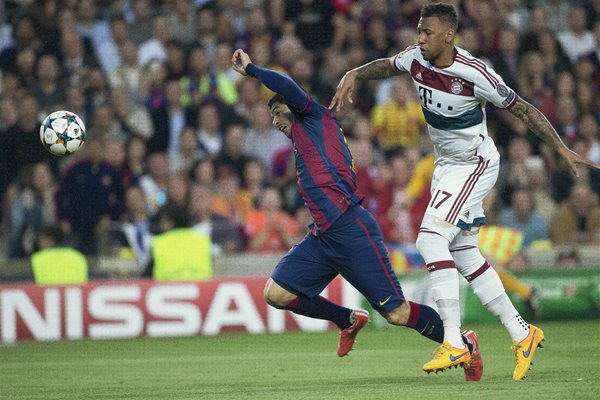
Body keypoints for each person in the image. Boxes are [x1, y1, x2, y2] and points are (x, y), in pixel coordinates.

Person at [330, 2, 600, 381]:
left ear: (448, 35)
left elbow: (522, 109)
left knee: (429, 240)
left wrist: (559, 147)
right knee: (464, 253)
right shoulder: (415, 60)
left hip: (475, 163)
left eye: (427, 32)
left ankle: (454, 342)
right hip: (447, 166)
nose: (419, 38)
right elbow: (387, 65)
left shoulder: (475, 73)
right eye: (418, 31)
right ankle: (522, 332)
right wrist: (353, 74)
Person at [231, 48, 482, 381]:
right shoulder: (304, 139)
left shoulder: (314, 117)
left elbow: (287, 86)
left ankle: (464, 344)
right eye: (273, 117)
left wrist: (253, 70)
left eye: (278, 113)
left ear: (292, 106)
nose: (276, 123)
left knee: (396, 312)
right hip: (323, 236)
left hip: (351, 228)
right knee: (276, 293)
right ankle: (347, 319)